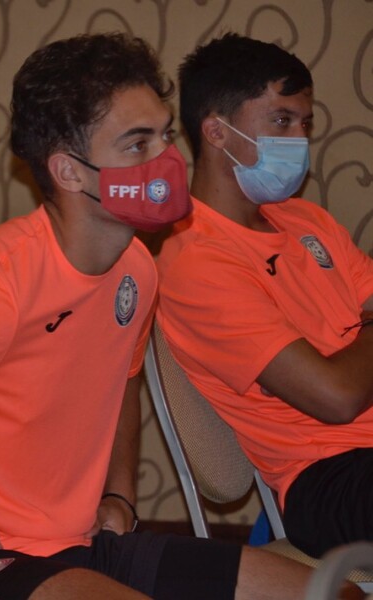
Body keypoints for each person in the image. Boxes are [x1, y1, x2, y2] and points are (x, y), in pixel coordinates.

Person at [0, 32, 350, 600]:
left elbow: (122, 377)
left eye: (164, 135)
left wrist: (120, 494)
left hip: (76, 544)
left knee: (332, 593)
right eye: (136, 144)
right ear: (70, 172)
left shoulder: (136, 268)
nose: (168, 160)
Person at [156, 32, 373, 561]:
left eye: (305, 123)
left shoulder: (307, 220)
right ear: (216, 131)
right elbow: (337, 398)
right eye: (281, 121)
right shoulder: (195, 260)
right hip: (328, 475)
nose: (300, 139)